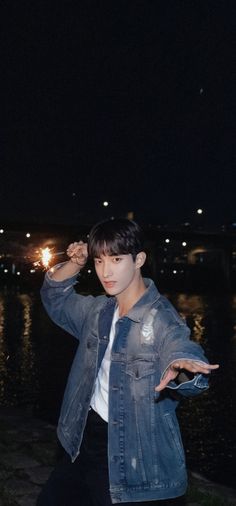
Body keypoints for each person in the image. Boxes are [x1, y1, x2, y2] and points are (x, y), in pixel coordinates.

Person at [37, 218, 219, 506]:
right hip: (83, 440)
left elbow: (181, 349)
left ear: (139, 260)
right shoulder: (97, 311)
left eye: (117, 259)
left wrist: (182, 367)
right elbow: (54, 297)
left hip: (130, 453)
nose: (105, 272)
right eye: (99, 261)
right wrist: (75, 264)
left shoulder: (161, 319)